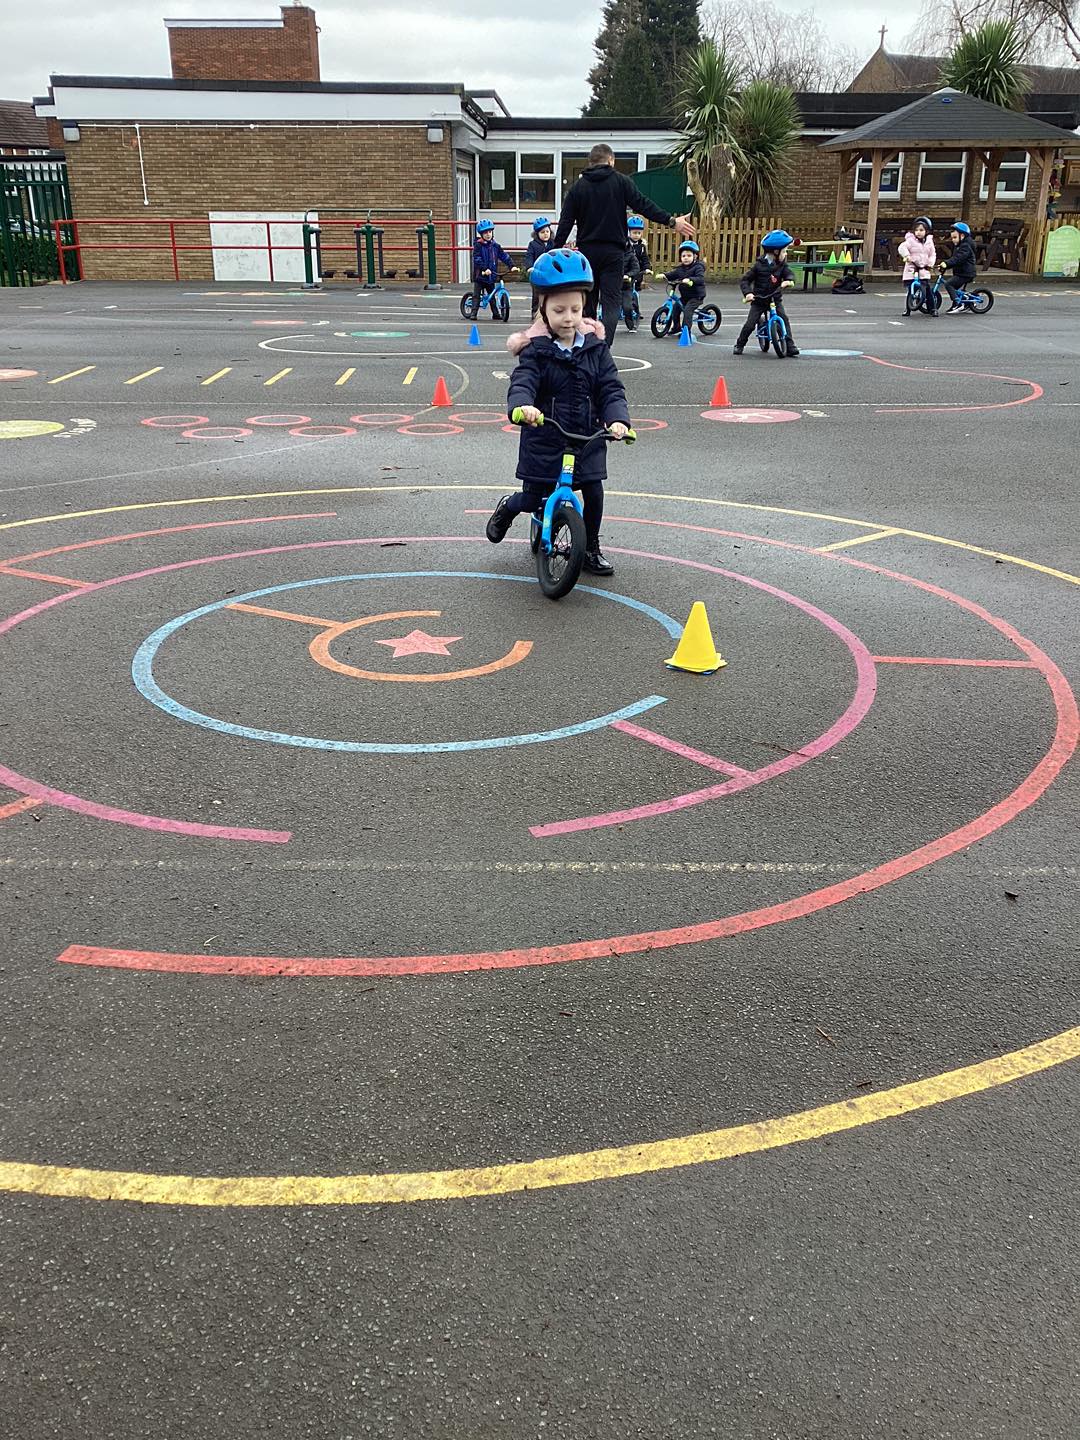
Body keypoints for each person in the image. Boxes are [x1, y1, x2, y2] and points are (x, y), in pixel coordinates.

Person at [485, 249, 630, 578]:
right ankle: (508, 507)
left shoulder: (595, 349)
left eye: (576, 309)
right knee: (531, 499)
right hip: (545, 436)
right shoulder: (536, 351)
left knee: (593, 491)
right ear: (543, 309)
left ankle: (590, 547)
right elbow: (523, 382)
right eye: (559, 310)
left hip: (586, 438)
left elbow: (610, 388)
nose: (568, 317)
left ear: (584, 307)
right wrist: (522, 407)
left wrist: (618, 420)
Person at [554, 142, 696, 345]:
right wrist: (672, 221)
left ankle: (587, 345)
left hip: (587, 253)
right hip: (613, 252)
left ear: (590, 162)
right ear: (611, 160)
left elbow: (566, 222)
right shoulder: (621, 181)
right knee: (611, 303)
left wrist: (554, 251)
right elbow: (643, 204)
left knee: (588, 303)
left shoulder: (578, 188)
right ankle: (604, 348)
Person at [733, 229, 800, 357]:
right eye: (784, 251)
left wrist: (788, 280)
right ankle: (740, 344)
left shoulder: (782, 265)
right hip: (759, 300)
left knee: (783, 318)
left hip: (775, 299)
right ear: (776, 252)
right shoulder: (759, 265)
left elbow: (789, 274)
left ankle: (790, 345)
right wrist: (748, 293)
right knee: (750, 324)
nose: (785, 254)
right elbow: (745, 280)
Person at [662, 241, 707, 338]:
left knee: (687, 311)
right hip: (685, 296)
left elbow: (700, 278)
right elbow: (673, 274)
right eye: (683, 256)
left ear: (695, 256)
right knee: (675, 308)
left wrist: (690, 279)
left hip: (696, 296)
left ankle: (686, 331)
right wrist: (664, 275)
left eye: (689, 255)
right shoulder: (680, 268)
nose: (686, 258)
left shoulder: (698, 267)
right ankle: (676, 327)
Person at [472, 219, 515, 312]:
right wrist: (484, 268)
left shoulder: (495, 246)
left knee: (492, 296)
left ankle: (495, 313)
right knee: (476, 295)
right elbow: (477, 258)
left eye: (490, 232)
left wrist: (511, 265)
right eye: (485, 233)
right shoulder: (478, 246)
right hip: (480, 275)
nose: (488, 234)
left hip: (491, 276)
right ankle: (473, 313)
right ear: (481, 234)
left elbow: (503, 256)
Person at [898, 216, 937, 317]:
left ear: (926, 231)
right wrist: (907, 256)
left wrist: (930, 263)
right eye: (916, 230)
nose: (918, 232)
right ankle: (908, 309)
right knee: (911, 290)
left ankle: (932, 309)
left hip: (924, 269)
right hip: (912, 268)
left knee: (927, 290)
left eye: (921, 230)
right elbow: (902, 247)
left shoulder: (929, 242)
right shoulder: (910, 241)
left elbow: (932, 254)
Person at [939, 221, 977, 314]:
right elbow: (954, 260)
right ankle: (964, 303)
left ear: (962, 236)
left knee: (949, 284)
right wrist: (946, 266)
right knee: (954, 289)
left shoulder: (965, 247)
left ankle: (958, 304)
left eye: (955, 237)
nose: (953, 240)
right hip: (961, 272)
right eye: (952, 238)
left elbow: (958, 259)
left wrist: (947, 263)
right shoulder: (959, 246)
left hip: (966, 273)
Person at [524, 216, 555, 316]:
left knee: (552, 293)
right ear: (537, 234)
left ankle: (550, 311)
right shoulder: (533, 244)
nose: (545, 234)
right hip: (537, 272)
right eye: (542, 232)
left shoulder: (553, 244)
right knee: (536, 293)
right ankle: (535, 311)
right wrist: (530, 267)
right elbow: (529, 256)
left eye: (547, 231)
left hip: (550, 272)